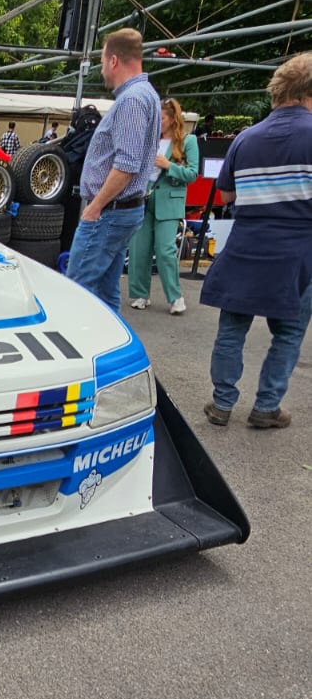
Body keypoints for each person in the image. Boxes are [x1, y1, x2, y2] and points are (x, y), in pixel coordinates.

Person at [199, 52, 312, 429]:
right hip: (297, 251)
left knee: (232, 328)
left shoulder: (245, 139)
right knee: (289, 332)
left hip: (246, 245)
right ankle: (266, 407)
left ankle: (222, 403)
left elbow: (227, 197)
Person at [66, 28, 161, 313]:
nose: (102, 69)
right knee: (106, 294)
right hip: (122, 211)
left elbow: (126, 165)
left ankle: (78, 353)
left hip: (109, 212)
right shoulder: (147, 96)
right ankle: (111, 351)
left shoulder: (132, 101)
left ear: (114, 61)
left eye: (103, 61)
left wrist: (95, 207)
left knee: (76, 291)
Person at [127, 97, 199, 315]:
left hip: (169, 202)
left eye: (162, 117)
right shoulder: (150, 140)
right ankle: (140, 294)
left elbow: (192, 174)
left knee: (166, 250)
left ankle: (175, 297)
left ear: (172, 119)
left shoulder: (188, 141)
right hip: (143, 199)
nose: (157, 121)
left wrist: (168, 166)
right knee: (139, 250)